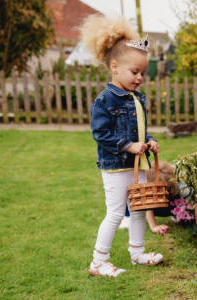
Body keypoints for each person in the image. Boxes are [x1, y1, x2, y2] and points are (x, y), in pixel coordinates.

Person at [82, 15, 163, 277]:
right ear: (114, 67)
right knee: (116, 213)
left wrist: (148, 141)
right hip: (116, 166)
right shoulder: (105, 100)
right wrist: (128, 146)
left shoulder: (136, 98)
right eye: (134, 72)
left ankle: (137, 252)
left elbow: (138, 128)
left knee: (138, 209)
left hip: (135, 164)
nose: (140, 77)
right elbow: (100, 133)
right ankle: (98, 260)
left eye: (142, 73)